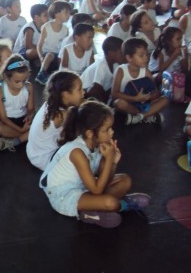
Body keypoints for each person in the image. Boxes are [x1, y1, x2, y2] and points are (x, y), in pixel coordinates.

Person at [39, 100, 150, 228]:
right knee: (110, 203)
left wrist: (113, 162)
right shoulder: (77, 152)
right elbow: (97, 190)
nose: (112, 133)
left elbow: (105, 178)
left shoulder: (96, 145)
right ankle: (120, 205)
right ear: (90, 133)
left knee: (125, 180)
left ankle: (96, 209)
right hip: (64, 196)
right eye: (106, 130)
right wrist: (108, 158)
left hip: (83, 187)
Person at [27, 71, 84, 171]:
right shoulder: (61, 116)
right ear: (66, 94)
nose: (83, 92)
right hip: (44, 159)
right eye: (79, 90)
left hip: (33, 152)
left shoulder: (51, 104)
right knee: (83, 147)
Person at [112, 38, 169, 125]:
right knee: (118, 103)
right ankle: (148, 116)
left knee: (165, 99)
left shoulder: (145, 71)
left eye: (146, 54)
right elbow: (114, 94)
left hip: (145, 104)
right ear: (129, 57)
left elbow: (156, 92)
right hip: (129, 104)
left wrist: (148, 97)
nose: (146, 58)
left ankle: (139, 117)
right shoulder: (121, 70)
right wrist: (135, 99)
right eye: (141, 56)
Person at [0, 55, 34, 152]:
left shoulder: (29, 87)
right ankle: (26, 136)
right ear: (6, 77)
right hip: (4, 121)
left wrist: (29, 115)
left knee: (43, 124)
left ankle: (15, 141)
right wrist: (21, 130)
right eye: (17, 81)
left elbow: (31, 108)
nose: (21, 85)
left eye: (24, 80)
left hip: (21, 119)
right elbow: (3, 118)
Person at [35, 1, 72, 85]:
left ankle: (58, 75)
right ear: (56, 14)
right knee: (50, 55)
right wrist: (41, 57)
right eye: (65, 12)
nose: (68, 15)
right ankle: (41, 74)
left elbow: (65, 46)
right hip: (46, 56)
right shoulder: (46, 27)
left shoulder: (66, 29)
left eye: (69, 13)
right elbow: (39, 45)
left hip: (58, 56)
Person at [81, 36, 124, 103]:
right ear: (111, 53)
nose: (123, 55)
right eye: (121, 53)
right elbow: (97, 87)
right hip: (85, 91)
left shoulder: (116, 65)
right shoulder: (102, 65)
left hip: (101, 90)